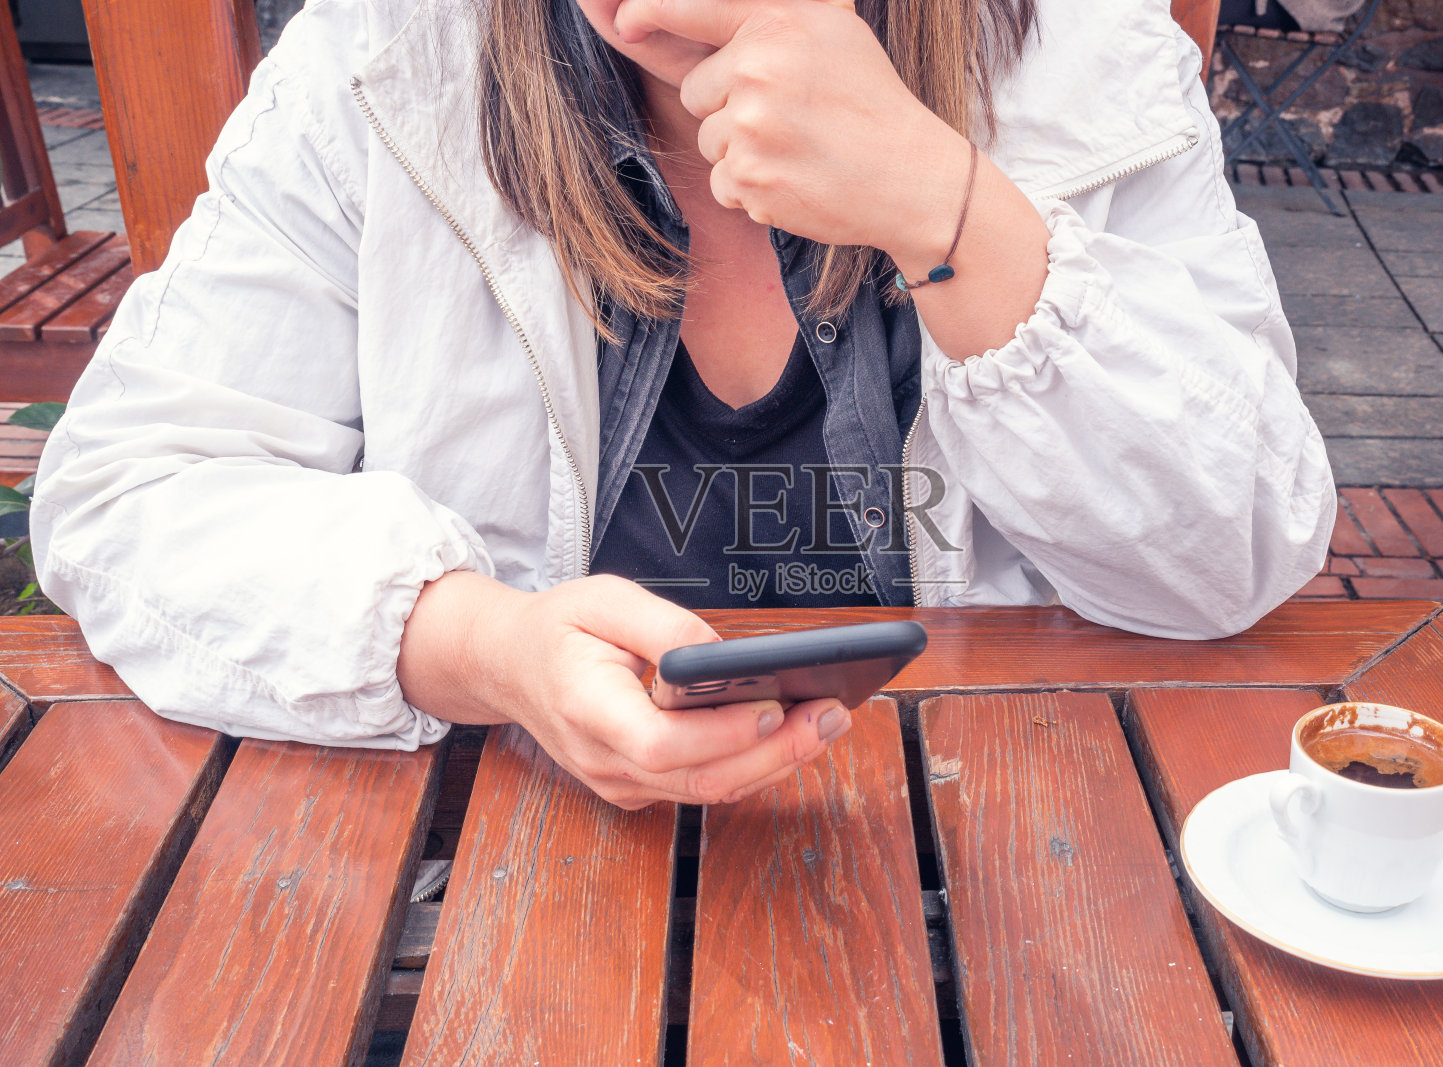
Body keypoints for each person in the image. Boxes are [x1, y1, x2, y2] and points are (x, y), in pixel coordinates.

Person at [29, 0, 1336, 808]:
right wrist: (486, 647)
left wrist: (948, 212)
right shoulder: (379, 64)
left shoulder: (1084, 52)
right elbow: (130, 497)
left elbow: (1232, 559)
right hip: (502, 860)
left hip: (1006, 845)